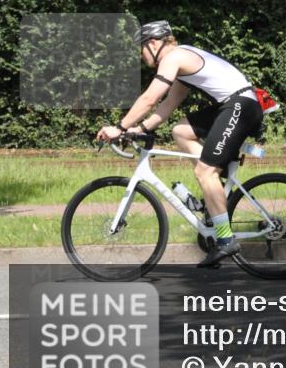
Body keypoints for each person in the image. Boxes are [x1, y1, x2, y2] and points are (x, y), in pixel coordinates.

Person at [96, 20, 264, 267]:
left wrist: (119, 128)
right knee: (181, 130)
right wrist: (137, 130)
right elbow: (167, 106)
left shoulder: (173, 57)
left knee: (204, 171)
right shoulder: (181, 62)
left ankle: (226, 241)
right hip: (232, 106)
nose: (141, 57)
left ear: (153, 43)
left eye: (141, 50)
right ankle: (214, 192)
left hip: (240, 105)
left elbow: (150, 98)